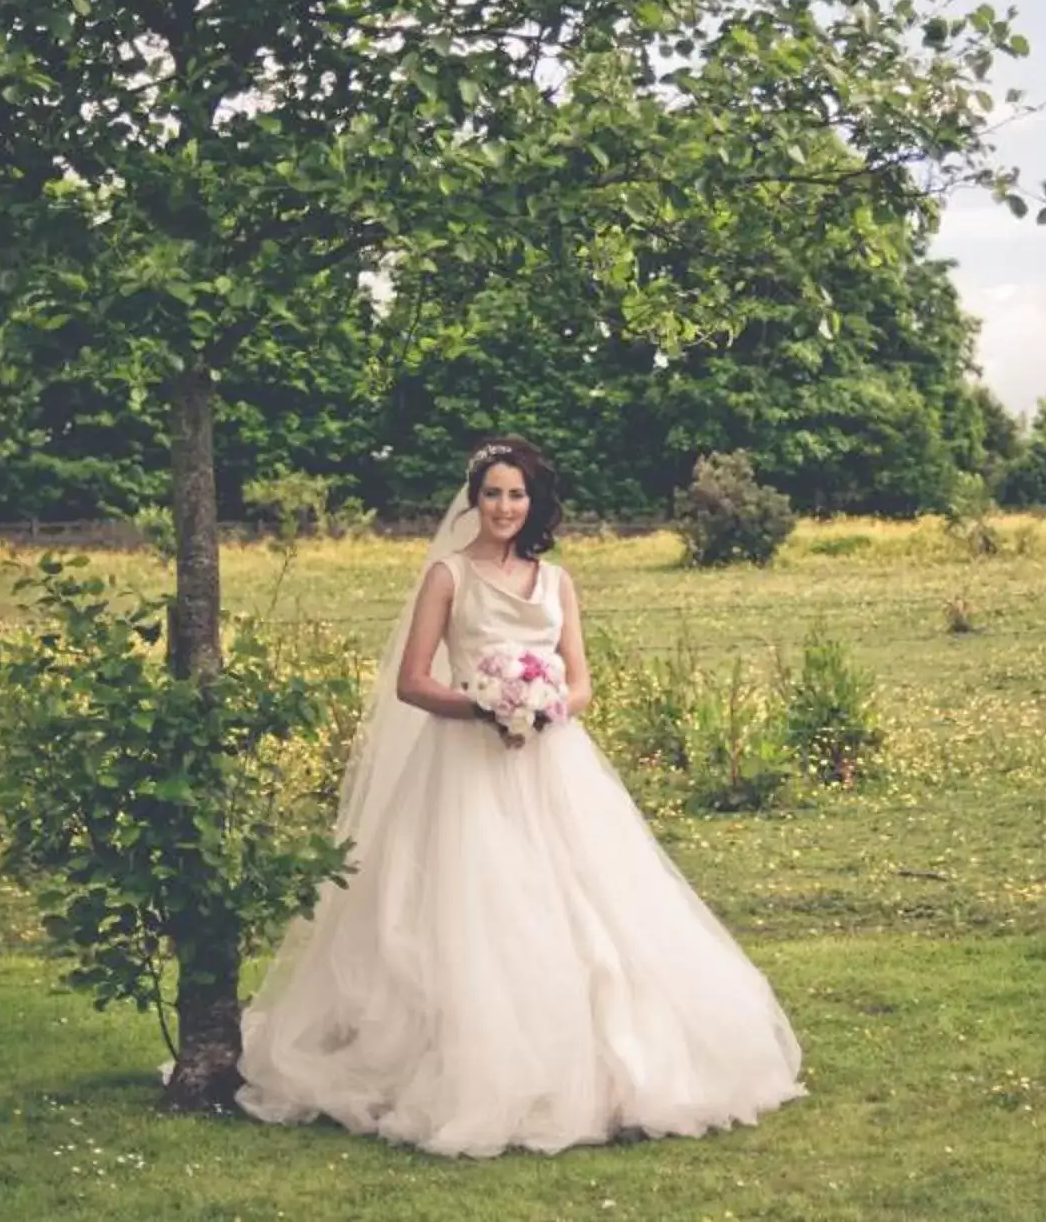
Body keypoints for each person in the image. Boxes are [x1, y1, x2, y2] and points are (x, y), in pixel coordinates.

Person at [236, 436, 805, 1157]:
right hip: (463, 766)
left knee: (586, 905)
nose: (505, 507)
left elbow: (583, 680)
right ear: (474, 498)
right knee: (473, 908)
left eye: (517, 494)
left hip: (552, 760)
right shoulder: (448, 576)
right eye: (494, 493)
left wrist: (544, 708)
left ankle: (590, 1061)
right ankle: (470, 1060)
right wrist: (485, 707)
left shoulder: (556, 580)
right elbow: (414, 680)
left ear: (534, 502)